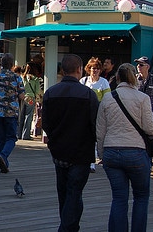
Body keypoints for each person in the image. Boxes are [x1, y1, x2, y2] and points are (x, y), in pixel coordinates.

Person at [97, 63, 153, 232]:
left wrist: (102, 154)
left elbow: (100, 131)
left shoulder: (108, 99)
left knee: (118, 198)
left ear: (117, 77)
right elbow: (149, 127)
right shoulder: (142, 98)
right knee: (141, 197)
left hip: (111, 151)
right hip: (136, 152)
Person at [42, 54, 99, 232]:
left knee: (64, 192)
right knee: (75, 192)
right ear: (79, 70)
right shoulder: (88, 95)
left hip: (59, 151)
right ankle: (67, 228)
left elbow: (46, 123)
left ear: (62, 70)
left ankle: (69, 226)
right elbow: (95, 124)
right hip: (81, 152)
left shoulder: (50, 93)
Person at [79, 57, 111, 172]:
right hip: (84, 114)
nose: (95, 70)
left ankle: (92, 163)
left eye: (97, 68)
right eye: (93, 68)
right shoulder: (83, 81)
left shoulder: (104, 82)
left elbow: (107, 99)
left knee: (95, 138)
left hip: (98, 114)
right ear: (89, 69)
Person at [18, 61, 43, 141]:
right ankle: (26, 134)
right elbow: (37, 91)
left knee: (21, 116)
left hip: (23, 97)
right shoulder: (35, 79)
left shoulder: (23, 77)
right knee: (28, 116)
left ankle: (19, 133)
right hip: (31, 98)